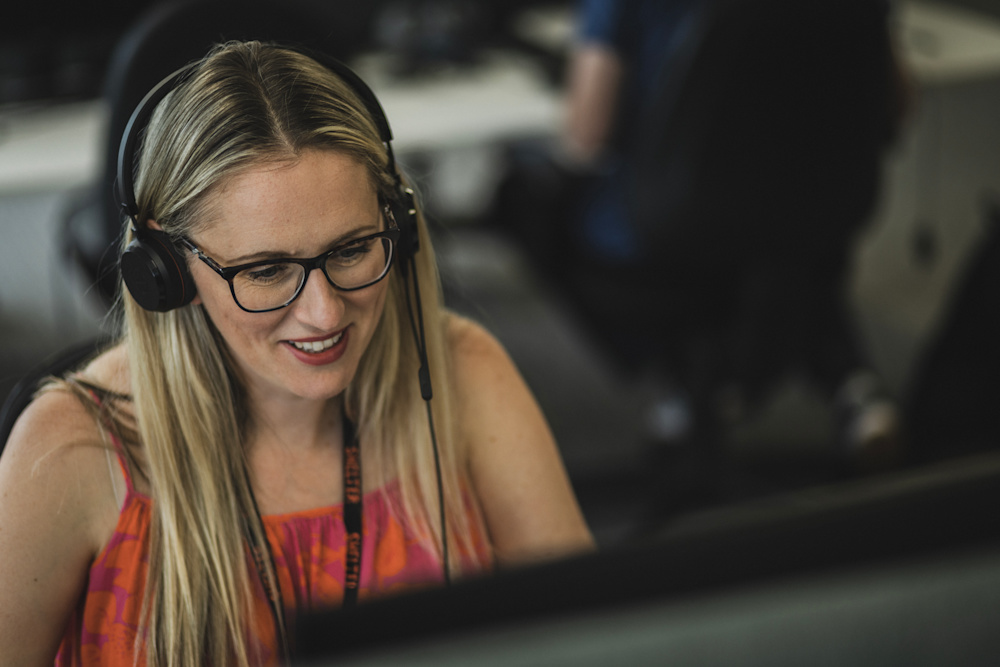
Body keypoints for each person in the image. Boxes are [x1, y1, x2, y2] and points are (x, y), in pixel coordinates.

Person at [0, 40, 594, 666]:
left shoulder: (461, 373)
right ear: (167, 274)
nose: (325, 312)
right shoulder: (69, 453)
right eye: (265, 270)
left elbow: (596, 640)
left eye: (350, 249)